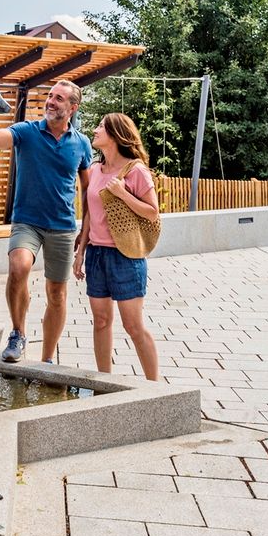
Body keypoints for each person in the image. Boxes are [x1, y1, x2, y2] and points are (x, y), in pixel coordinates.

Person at [0, 80, 91, 364]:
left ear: (72, 108)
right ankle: (18, 333)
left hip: (62, 226)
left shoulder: (82, 143)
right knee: (18, 266)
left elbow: (89, 189)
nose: (51, 101)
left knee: (57, 294)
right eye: (50, 96)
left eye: (59, 98)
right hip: (27, 221)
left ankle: (48, 358)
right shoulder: (27, 131)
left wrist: (85, 232)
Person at [76, 113, 161, 382]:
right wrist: (81, 252)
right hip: (97, 255)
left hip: (126, 256)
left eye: (101, 127)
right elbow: (90, 213)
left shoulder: (136, 171)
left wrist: (123, 193)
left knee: (133, 326)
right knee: (100, 321)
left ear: (115, 135)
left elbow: (152, 213)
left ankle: (155, 386)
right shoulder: (95, 169)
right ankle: (105, 382)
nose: (96, 130)